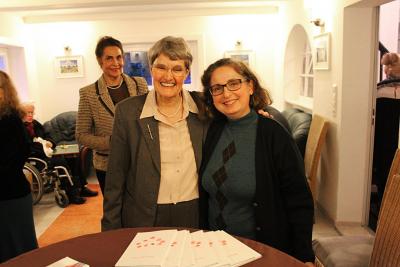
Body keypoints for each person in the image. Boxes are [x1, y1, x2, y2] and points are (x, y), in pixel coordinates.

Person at [199, 58, 315, 264]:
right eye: (217, 88)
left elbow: (299, 199)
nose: (226, 93)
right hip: (216, 250)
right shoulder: (212, 130)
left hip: (260, 250)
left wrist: (304, 256)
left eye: (234, 84)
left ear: (250, 86)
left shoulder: (273, 134)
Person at [102, 36, 207, 231]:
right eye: (161, 67)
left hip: (195, 212)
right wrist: (110, 230)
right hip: (145, 215)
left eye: (177, 69)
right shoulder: (127, 112)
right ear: (151, 69)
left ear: (186, 73)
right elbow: (115, 178)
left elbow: (236, 108)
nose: (168, 76)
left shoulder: (204, 107)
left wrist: (260, 110)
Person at [76, 36, 148, 195]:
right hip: (107, 166)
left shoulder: (139, 84)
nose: (116, 63)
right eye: (109, 58)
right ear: (99, 61)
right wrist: (111, 142)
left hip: (139, 162)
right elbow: (81, 135)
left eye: (119, 57)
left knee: (140, 209)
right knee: (114, 212)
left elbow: (149, 120)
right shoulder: (88, 94)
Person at [0, 70, 38, 262]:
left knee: (21, 250)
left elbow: (20, 154)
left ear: (5, 91)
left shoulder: (12, 120)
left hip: (12, 194)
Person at [21, 102, 86, 205]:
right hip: (35, 157)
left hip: (46, 152)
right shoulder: (19, 128)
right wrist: (42, 146)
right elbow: (26, 146)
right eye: (27, 113)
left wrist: (50, 142)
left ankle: (82, 187)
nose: (30, 115)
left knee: (74, 159)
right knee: (61, 162)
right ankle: (71, 193)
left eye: (31, 113)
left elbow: (47, 136)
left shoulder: (36, 124)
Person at [373, 52, 400, 205]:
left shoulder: (379, 90)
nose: (388, 69)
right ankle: (386, 204)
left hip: (392, 136)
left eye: (392, 65)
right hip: (383, 136)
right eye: (386, 66)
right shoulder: (379, 89)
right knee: (385, 167)